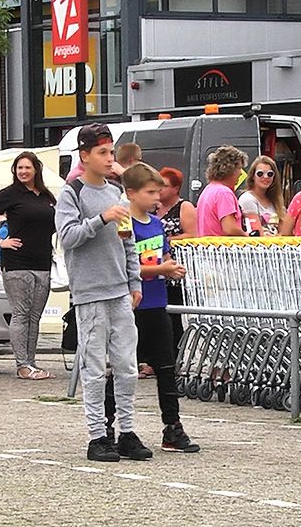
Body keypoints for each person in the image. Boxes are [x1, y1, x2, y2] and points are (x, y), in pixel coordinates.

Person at [54, 123, 152, 463]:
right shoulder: (72, 193)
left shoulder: (115, 192)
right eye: (102, 153)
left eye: (111, 152)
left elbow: (128, 242)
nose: (110, 159)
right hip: (90, 292)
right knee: (94, 368)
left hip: (119, 292)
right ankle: (97, 435)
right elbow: (67, 238)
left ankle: (126, 430)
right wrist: (100, 219)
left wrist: (134, 281)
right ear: (85, 156)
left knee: (126, 366)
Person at [115, 162, 200, 453]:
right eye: (151, 192)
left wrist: (168, 267)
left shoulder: (155, 223)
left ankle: (172, 427)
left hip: (157, 302)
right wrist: (160, 268)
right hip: (132, 304)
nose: (156, 199)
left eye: (158, 192)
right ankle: (113, 426)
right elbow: (126, 266)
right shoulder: (124, 223)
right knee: (123, 367)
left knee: (166, 366)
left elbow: (162, 252)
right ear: (131, 193)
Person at [0, 151, 57, 381]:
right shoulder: (9, 194)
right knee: (21, 313)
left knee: (34, 316)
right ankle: (22, 364)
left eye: (27, 167)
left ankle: (31, 362)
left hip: (42, 262)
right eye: (19, 168)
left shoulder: (46, 195)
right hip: (17, 263)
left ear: (36, 169)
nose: (23, 172)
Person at [154, 166, 196, 356]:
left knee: (174, 314)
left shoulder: (184, 207)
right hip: (154, 266)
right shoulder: (154, 207)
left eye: (164, 186)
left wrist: (167, 240)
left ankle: (174, 355)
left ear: (175, 188)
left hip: (175, 266)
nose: (159, 190)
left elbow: (191, 235)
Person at [195, 145, 247, 236]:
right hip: (223, 247)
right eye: (239, 168)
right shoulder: (224, 193)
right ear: (230, 169)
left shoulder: (208, 189)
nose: (241, 173)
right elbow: (229, 229)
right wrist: (247, 237)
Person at [238, 156, 286, 236]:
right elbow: (256, 232)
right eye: (260, 174)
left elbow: (285, 231)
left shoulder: (275, 201)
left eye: (270, 174)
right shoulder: (248, 199)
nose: (265, 177)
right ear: (253, 176)